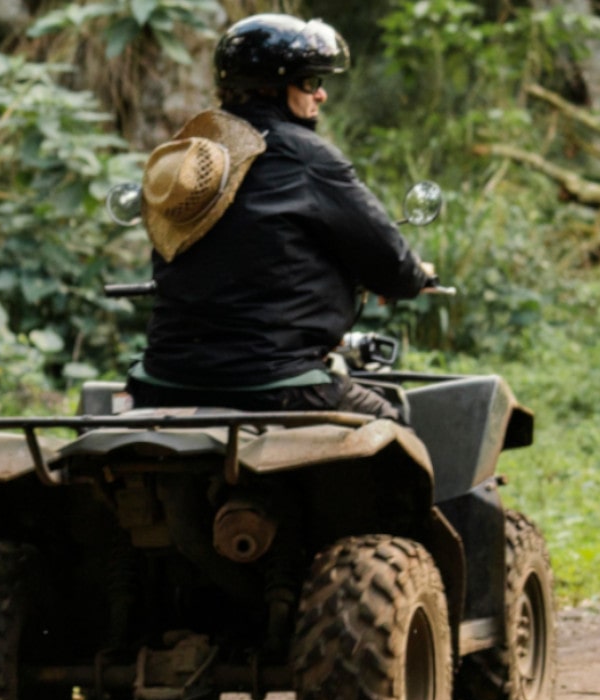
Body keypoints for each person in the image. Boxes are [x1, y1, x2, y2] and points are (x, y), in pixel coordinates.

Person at [124, 13, 434, 421]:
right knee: (391, 422)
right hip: (273, 384)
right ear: (270, 88)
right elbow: (387, 259)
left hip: (161, 381)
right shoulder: (306, 157)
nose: (319, 95)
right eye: (309, 82)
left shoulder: (191, 162)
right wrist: (415, 276)